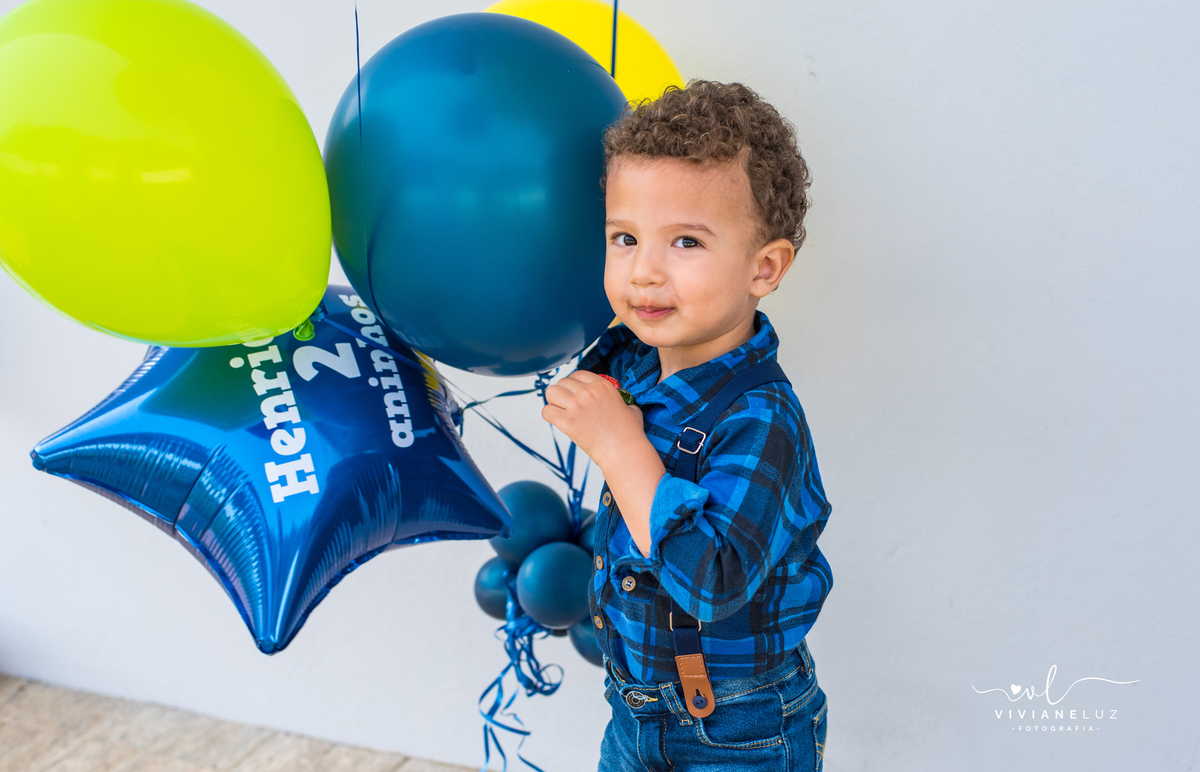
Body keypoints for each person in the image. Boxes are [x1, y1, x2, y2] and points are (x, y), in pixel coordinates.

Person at [541, 79, 834, 771]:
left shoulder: (763, 419)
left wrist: (619, 444)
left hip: (741, 728)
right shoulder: (636, 368)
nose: (643, 271)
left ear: (764, 267)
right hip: (634, 706)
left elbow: (710, 582)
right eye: (625, 237)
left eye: (686, 243)